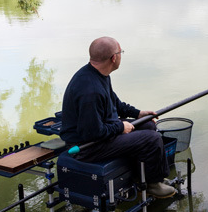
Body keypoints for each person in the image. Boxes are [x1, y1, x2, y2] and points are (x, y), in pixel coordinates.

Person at [60, 36, 177, 198]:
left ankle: (143, 175)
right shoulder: (90, 90)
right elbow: (92, 133)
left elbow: (114, 102)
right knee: (152, 138)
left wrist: (138, 113)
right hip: (88, 147)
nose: (121, 55)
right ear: (114, 58)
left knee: (148, 125)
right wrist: (121, 127)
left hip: (101, 132)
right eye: (120, 52)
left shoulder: (98, 73)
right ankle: (153, 184)